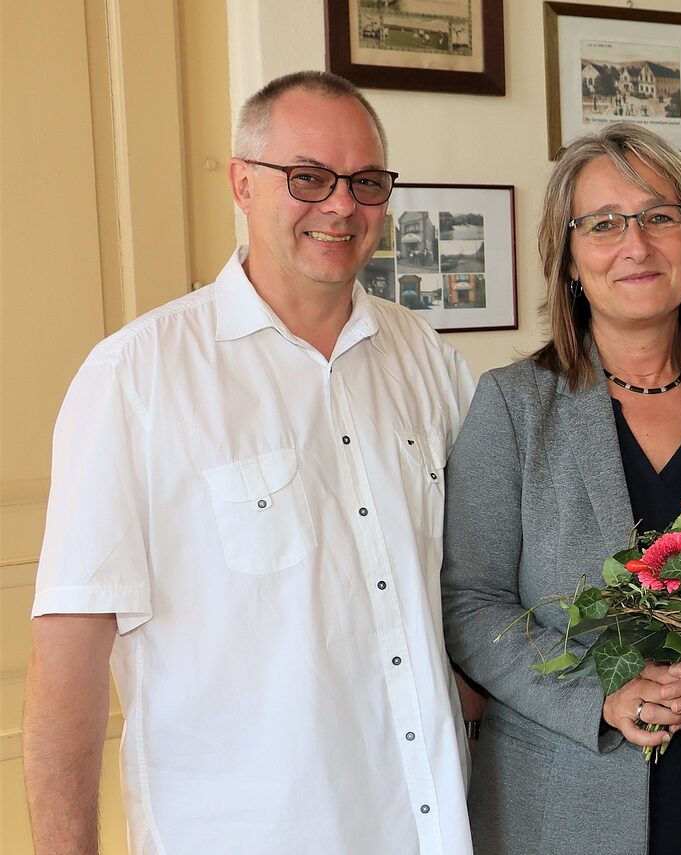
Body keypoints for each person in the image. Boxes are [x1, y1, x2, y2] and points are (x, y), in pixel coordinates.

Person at [23, 71, 477, 854]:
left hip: (426, 826)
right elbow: (67, 665)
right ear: (242, 182)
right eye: (308, 177)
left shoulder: (432, 363)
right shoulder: (134, 378)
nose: (341, 205)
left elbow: (469, 596)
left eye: (367, 182)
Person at [441, 123, 681, 855]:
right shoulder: (512, 407)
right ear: (570, 259)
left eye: (658, 217)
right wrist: (599, 695)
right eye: (603, 224)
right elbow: (469, 604)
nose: (635, 245)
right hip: (561, 805)